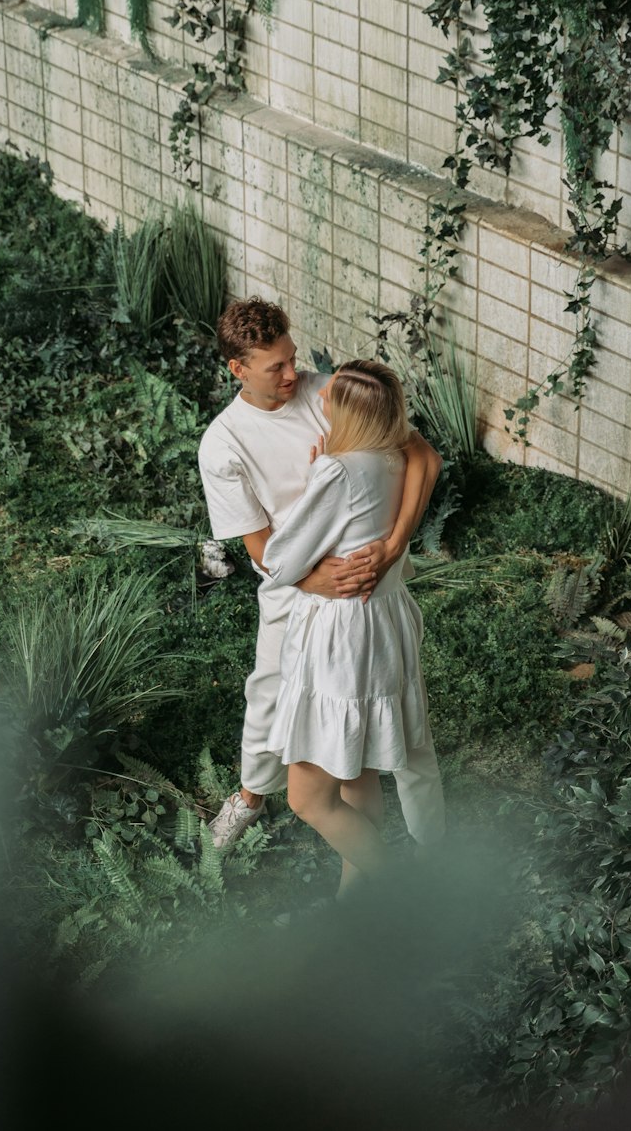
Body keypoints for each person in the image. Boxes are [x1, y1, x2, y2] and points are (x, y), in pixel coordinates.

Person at [197, 297, 444, 850]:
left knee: (393, 703)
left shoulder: (333, 394)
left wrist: (393, 544)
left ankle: (414, 842)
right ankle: (251, 799)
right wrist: (311, 581)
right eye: (275, 367)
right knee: (268, 692)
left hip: (370, 585)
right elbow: (259, 544)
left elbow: (423, 458)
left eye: (292, 358)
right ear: (238, 370)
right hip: (295, 586)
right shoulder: (223, 443)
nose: (294, 375)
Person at [261, 358, 441, 896]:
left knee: (308, 798)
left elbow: (282, 557)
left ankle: (400, 899)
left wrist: (319, 480)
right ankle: (352, 906)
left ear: (349, 413)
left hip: (343, 636)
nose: (319, 400)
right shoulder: (394, 457)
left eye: (330, 395)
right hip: (383, 622)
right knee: (356, 767)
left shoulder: (337, 472)